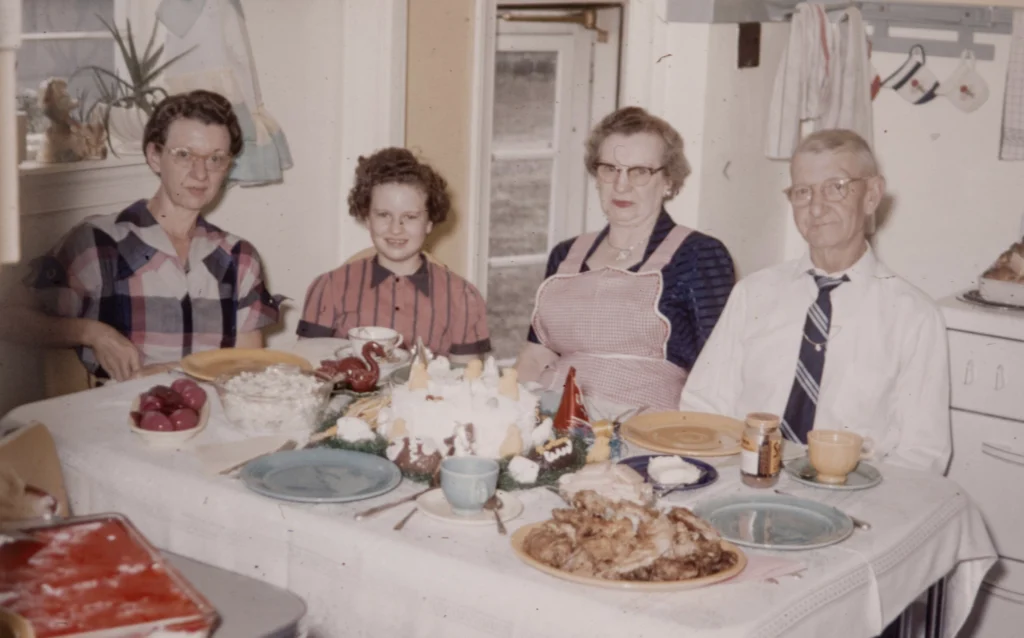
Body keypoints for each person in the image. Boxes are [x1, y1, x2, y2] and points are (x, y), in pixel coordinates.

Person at [680, 129, 950, 474]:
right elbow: (703, 406)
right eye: (803, 192)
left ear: (872, 195)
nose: (817, 207)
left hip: (853, 496)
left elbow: (922, 454)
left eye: (836, 187)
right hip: (745, 481)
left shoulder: (912, 315)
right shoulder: (753, 293)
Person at [0, 90, 281, 382]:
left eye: (216, 158)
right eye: (184, 155)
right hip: (122, 418)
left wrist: (171, 372)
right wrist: (91, 332)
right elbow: (8, 318)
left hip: (213, 418)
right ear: (155, 156)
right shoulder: (97, 243)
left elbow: (247, 370)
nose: (201, 173)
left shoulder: (239, 258)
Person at [515, 107, 736, 412]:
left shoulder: (699, 254)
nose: (621, 185)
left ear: (668, 181)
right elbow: (535, 356)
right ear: (597, 175)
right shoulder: (565, 255)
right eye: (610, 169)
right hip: (550, 416)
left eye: (640, 171)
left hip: (641, 431)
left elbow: (717, 369)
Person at [297, 148, 490, 363]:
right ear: (367, 218)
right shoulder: (329, 287)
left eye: (410, 217)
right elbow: (307, 367)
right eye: (383, 215)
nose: (396, 229)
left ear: (429, 223)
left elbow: (466, 380)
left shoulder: (462, 297)